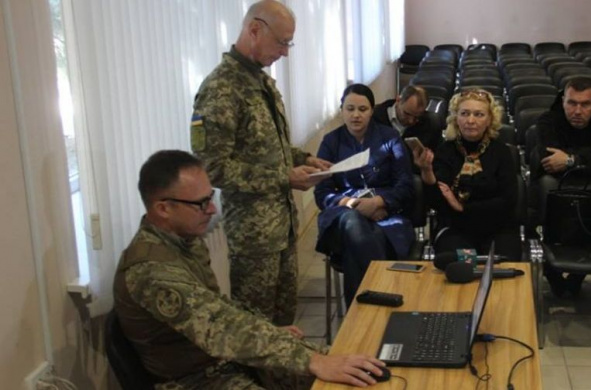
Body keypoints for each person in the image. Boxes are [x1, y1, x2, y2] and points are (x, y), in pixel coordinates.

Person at [114, 150, 386, 389]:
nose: (211, 209)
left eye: (210, 198)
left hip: (224, 359)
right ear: (163, 209)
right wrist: (312, 361)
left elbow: (219, 307)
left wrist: (271, 332)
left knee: (356, 373)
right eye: (200, 203)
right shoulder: (151, 272)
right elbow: (221, 327)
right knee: (322, 366)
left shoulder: (183, 241)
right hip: (194, 379)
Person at [190, 0, 331, 326]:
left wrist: (305, 159)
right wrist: (284, 177)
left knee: (283, 326)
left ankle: (282, 380)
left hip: (281, 228)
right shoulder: (220, 90)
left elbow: (270, 149)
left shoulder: (261, 81)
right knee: (257, 328)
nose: (285, 53)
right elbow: (212, 168)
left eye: (289, 43)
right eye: (282, 42)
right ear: (254, 29)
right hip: (254, 240)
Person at [314, 84, 415, 307]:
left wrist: (379, 202)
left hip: (385, 212)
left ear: (372, 111)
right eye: (350, 108)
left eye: (363, 109)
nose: (356, 115)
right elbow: (322, 192)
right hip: (343, 212)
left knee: (356, 248)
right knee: (353, 223)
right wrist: (353, 204)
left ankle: (357, 317)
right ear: (341, 110)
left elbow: (406, 184)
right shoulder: (331, 142)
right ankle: (380, 300)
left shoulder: (390, 137)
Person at [534, 77, 591, 296]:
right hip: (557, 198)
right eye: (571, 103)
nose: (577, 110)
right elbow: (549, 162)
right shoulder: (548, 120)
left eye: (585, 104)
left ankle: (576, 278)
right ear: (562, 100)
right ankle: (556, 277)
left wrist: (570, 160)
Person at [413, 89, 520, 260]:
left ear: (489, 120)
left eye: (479, 114)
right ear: (456, 118)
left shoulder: (502, 152)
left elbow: (508, 200)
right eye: (464, 113)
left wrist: (463, 207)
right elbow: (438, 203)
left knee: (501, 268)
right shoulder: (445, 150)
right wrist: (427, 171)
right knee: (465, 264)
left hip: (497, 227)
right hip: (456, 229)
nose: (471, 120)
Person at [372, 85, 443, 160]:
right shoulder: (374, 118)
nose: (411, 121)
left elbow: (438, 159)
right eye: (407, 114)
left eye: (416, 117)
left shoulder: (431, 124)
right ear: (398, 100)